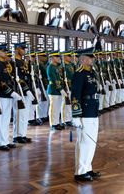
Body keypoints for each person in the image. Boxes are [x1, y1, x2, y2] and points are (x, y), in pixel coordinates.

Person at [71, 47, 101, 182]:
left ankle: (87, 167)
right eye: (90, 58)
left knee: (91, 142)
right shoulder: (79, 74)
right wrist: (76, 115)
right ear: (83, 59)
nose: (92, 59)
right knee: (84, 142)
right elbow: (75, 95)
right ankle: (80, 171)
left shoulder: (91, 72)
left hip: (93, 109)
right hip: (85, 110)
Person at [0, 44, 17, 150]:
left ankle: (5, 140)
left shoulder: (4, 64)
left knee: (6, 119)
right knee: (0, 119)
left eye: (5, 51)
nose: (5, 52)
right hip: (1, 94)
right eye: (2, 51)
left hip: (7, 94)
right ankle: (0, 142)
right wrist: (10, 92)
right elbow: (0, 82)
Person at [12, 42, 34, 143]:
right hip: (20, 91)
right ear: (17, 49)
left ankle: (23, 134)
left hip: (27, 90)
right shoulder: (14, 62)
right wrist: (25, 89)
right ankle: (17, 135)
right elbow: (18, 78)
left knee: (25, 114)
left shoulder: (23, 62)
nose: (24, 50)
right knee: (19, 114)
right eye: (22, 48)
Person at [47, 51, 66, 131]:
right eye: (57, 57)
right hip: (53, 90)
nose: (59, 58)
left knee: (57, 108)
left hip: (58, 90)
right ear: (52, 58)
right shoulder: (50, 67)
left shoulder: (57, 67)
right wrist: (60, 89)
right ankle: (53, 124)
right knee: (53, 108)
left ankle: (57, 123)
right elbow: (54, 79)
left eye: (59, 57)